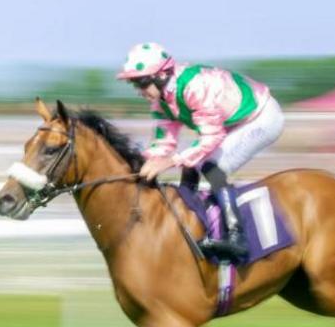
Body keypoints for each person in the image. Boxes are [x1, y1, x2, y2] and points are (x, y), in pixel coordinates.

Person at [116, 42, 284, 260]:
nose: (139, 91)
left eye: (142, 83)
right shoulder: (161, 101)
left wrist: (170, 161)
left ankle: (236, 237)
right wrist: (143, 162)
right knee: (191, 164)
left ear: (161, 75)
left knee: (212, 166)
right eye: (135, 85)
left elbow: (211, 137)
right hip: (232, 122)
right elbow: (163, 142)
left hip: (261, 118)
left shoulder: (194, 87)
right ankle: (189, 224)